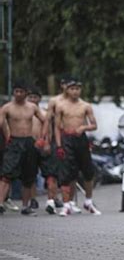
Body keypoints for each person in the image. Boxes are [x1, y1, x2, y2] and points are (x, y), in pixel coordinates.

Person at [54, 79, 101, 216]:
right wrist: (58, 146)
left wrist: (83, 127)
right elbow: (57, 127)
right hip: (67, 139)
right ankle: (67, 203)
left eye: (77, 89)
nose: (75, 91)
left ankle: (88, 201)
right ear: (67, 90)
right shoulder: (61, 106)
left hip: (81, 139)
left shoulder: (85, 106)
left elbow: (94, 125)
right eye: (72, 89)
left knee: (88, 171)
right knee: (68, 173)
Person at [0, 81, 46, 216]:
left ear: (26, 93)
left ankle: (25, 207)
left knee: (29, 176)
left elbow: (45, 121)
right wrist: (7, 136)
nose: (18, 94)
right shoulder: (7, 108)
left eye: (21, 91)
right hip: (14, 143)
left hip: (29, 143)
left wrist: (42, 139)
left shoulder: (32, 107)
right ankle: (0, 203)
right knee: (6, 175)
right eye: (16, 91)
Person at [27, 87, 61, 214]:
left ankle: (52, 200)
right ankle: (33, 199)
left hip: (44, 145)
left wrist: (47, 142)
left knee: (51, 174)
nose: (32, 99)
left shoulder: (45, 113)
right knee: (30, 175)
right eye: (30, 97)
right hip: (30, 146)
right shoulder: (24, 113)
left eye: (35, 97)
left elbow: (50, 130)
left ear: (39, 99)